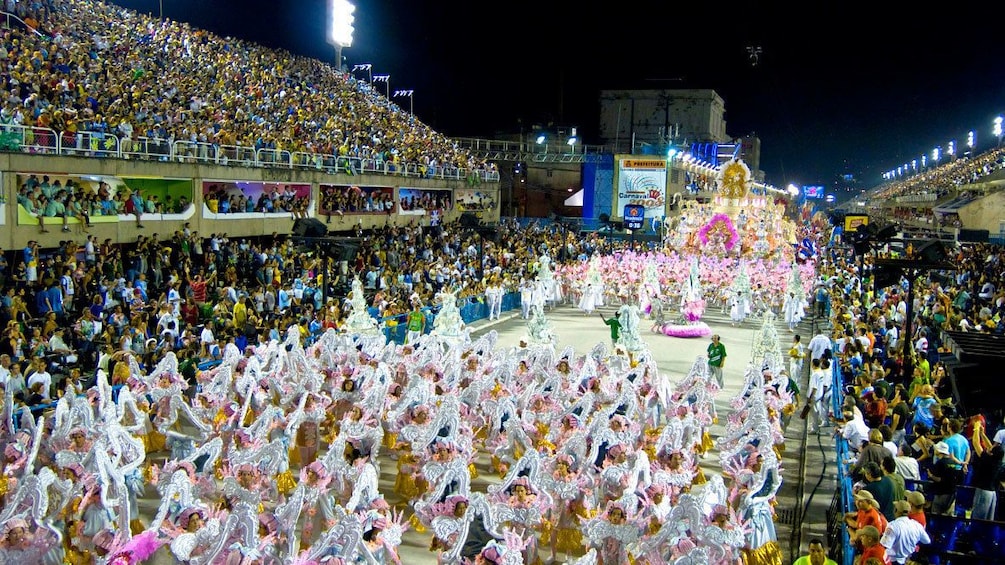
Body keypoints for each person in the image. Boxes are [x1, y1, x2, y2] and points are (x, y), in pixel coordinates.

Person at [880, 500, 931, 565]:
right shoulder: (917, 525)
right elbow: (927, 541)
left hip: (894, 561)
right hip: (909, 560)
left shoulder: (892, 526)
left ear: (895, 510)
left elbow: (884, 545)